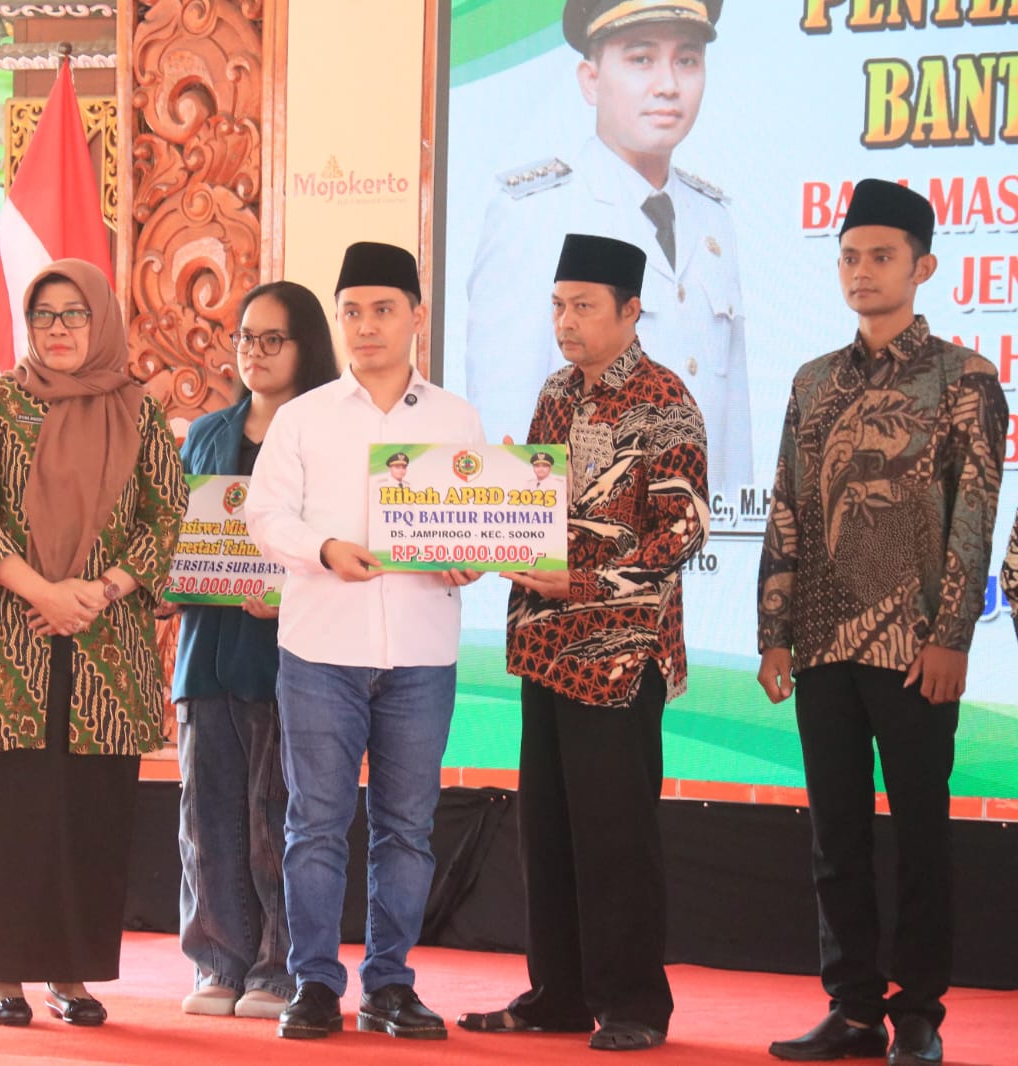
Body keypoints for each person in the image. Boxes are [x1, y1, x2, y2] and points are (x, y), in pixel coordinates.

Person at [758, 180, 1007, 1066]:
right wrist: (774, 630)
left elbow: (975, 514)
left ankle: (921, 1016)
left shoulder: (966, 379)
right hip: (822, 643)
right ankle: (854, 1010)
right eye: (849, 257)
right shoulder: (812, 381)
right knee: (836, 836)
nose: (861, 272)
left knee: (921, 836)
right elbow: (787, 505)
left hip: (915, 648)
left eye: (882, 257)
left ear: (923, 267)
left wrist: (952, 638)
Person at [458, 234, 708, 1052]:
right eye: (558, 305)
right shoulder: (556, 393)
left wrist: (585, 584)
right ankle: (558, 994)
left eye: (584, 306)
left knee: (615, 835)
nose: (565, 321)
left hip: (620, 654)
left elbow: (681, 532)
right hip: (546, 644)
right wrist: (490, 518)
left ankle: (634, 1004)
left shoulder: (666, 401)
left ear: (630, 311)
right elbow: (539, 508)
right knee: (549, 830)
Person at [0, 258, 187, 1029]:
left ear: (100, 320)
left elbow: (166, 515)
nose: (58, 328)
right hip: (5, 644)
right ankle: (1, 972)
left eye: (75, 313)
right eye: (44, 314)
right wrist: (44, 593)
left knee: (89, 815)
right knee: (6, 813)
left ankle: (70, 972)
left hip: (106, 647)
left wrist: (101, 590)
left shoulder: (138, 413)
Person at [247, 242, 487, 1041]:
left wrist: (472, 559)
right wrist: (322, 549)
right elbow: (264, 517)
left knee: (406, 829)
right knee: (315, 824)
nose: (366, 325)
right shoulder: (304, 416)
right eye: (351, 311)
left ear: (417, 315)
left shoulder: (457, 418)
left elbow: (478, 523)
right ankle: (314, 983)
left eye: (383, 309)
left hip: (422, 652)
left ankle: (389, 985)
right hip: (320, 650)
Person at [463, 0, 749, 501]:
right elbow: (505, 417)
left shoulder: (714, 219)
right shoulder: (534, 213)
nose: (668, 84)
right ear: (591, 80)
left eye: (686, 60)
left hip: (697, 536)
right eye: (641, 59)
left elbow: (733, 432)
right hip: (585, 538)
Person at [173, 281, 340, 1021]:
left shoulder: (325, 436)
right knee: (206, 818)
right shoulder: (207, 433)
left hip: (287, 657)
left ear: (306, 347)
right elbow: (176, 533)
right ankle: (218, 961)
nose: (255, 352)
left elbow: (339, 543)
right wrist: (170, 576)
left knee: (277, 819)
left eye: (273, 339)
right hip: (205, 650)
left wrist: (289, 589)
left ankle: (277, 970)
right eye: (245, 336)